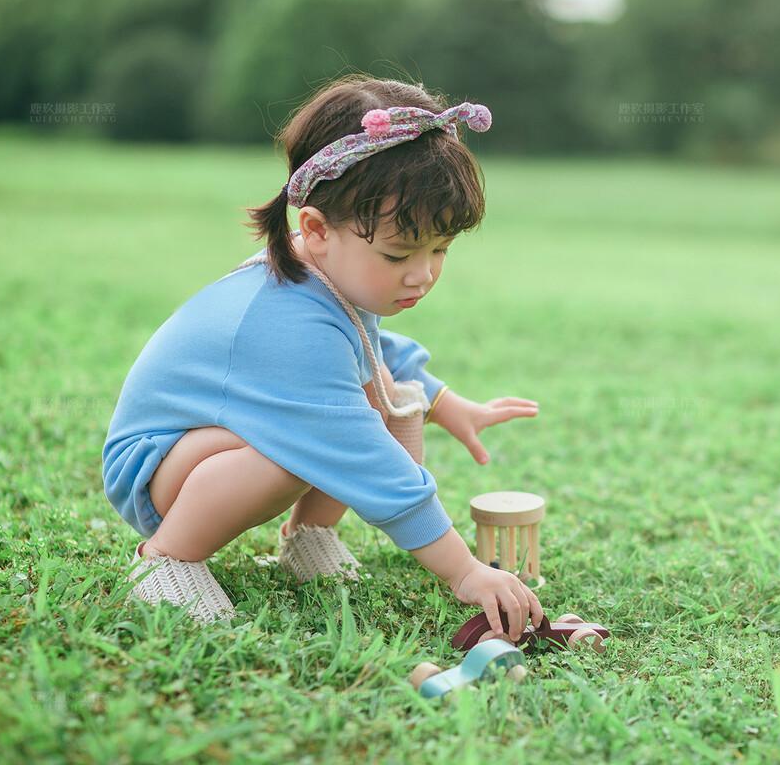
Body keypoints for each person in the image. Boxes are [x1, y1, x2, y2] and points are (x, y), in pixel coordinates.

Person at [102, 75, 543, 638]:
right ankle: (166, 559)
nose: (423, 273)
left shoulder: (329, 276)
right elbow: (362, 451)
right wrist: (464, 571)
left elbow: (372, 352)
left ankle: (308, 538)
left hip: (207, 446)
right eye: (398, 252)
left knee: (357, 403)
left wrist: (446, 402)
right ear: (314, 228)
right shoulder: (288, 320)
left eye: (441, 249)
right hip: (156, 467)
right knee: (312, 442)